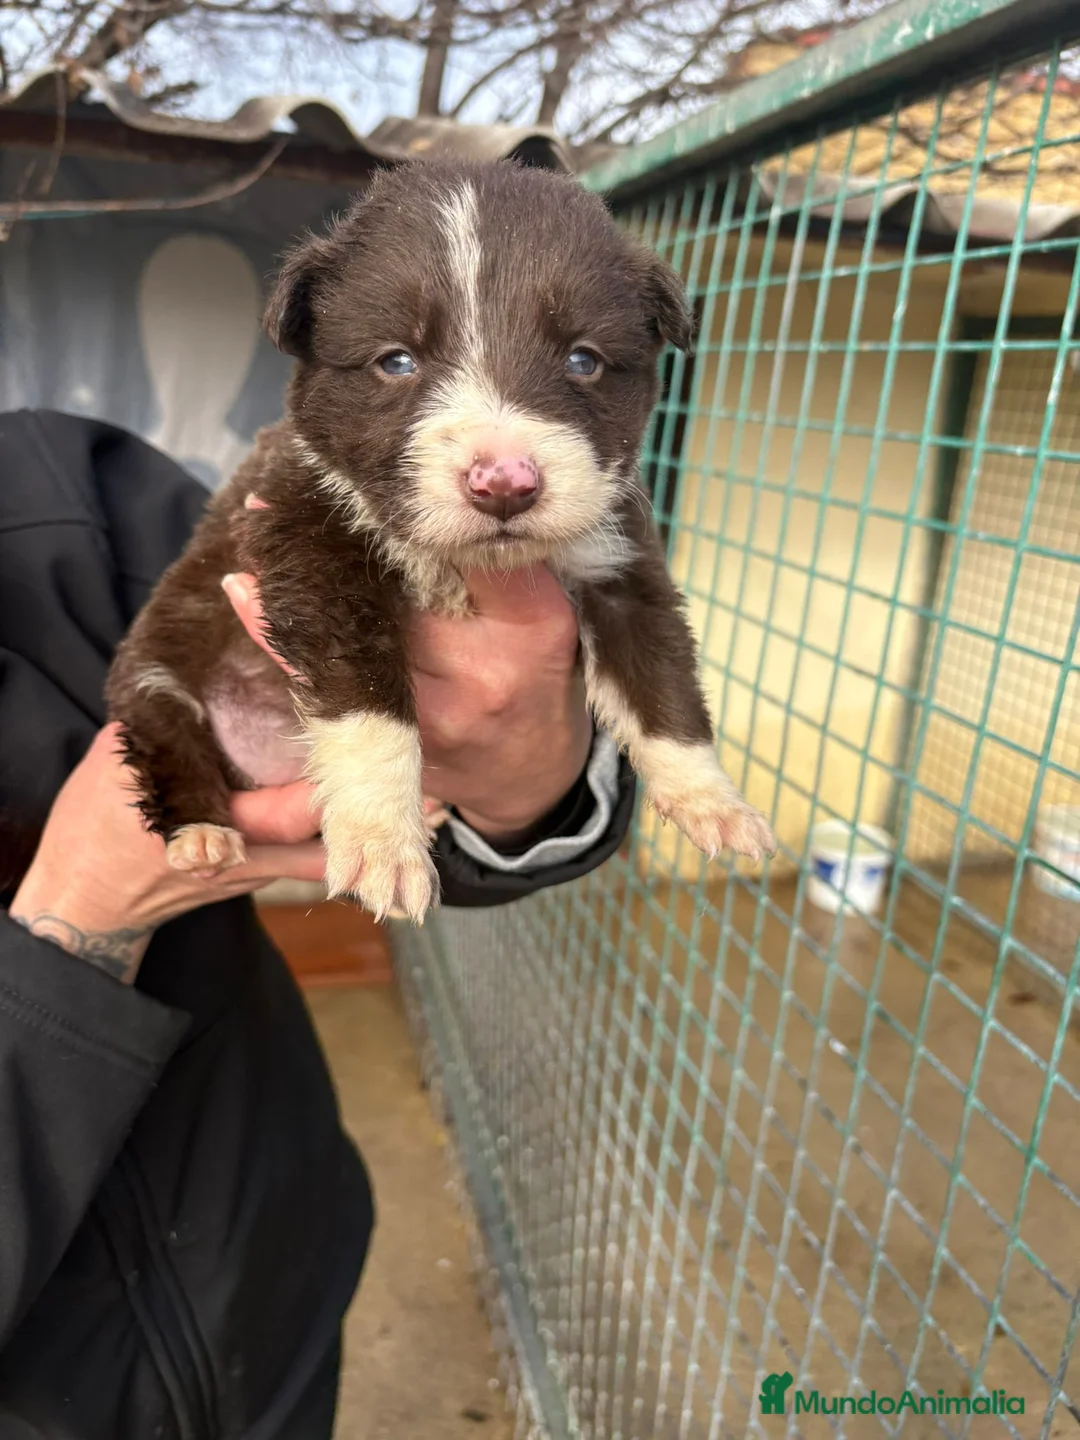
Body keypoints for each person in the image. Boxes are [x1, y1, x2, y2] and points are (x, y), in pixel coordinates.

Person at [0, 409, 635, 1439]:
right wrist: (83, 909)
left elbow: (457, 793)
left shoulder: (55, 489)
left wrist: (525, 780)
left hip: (275, 1265)